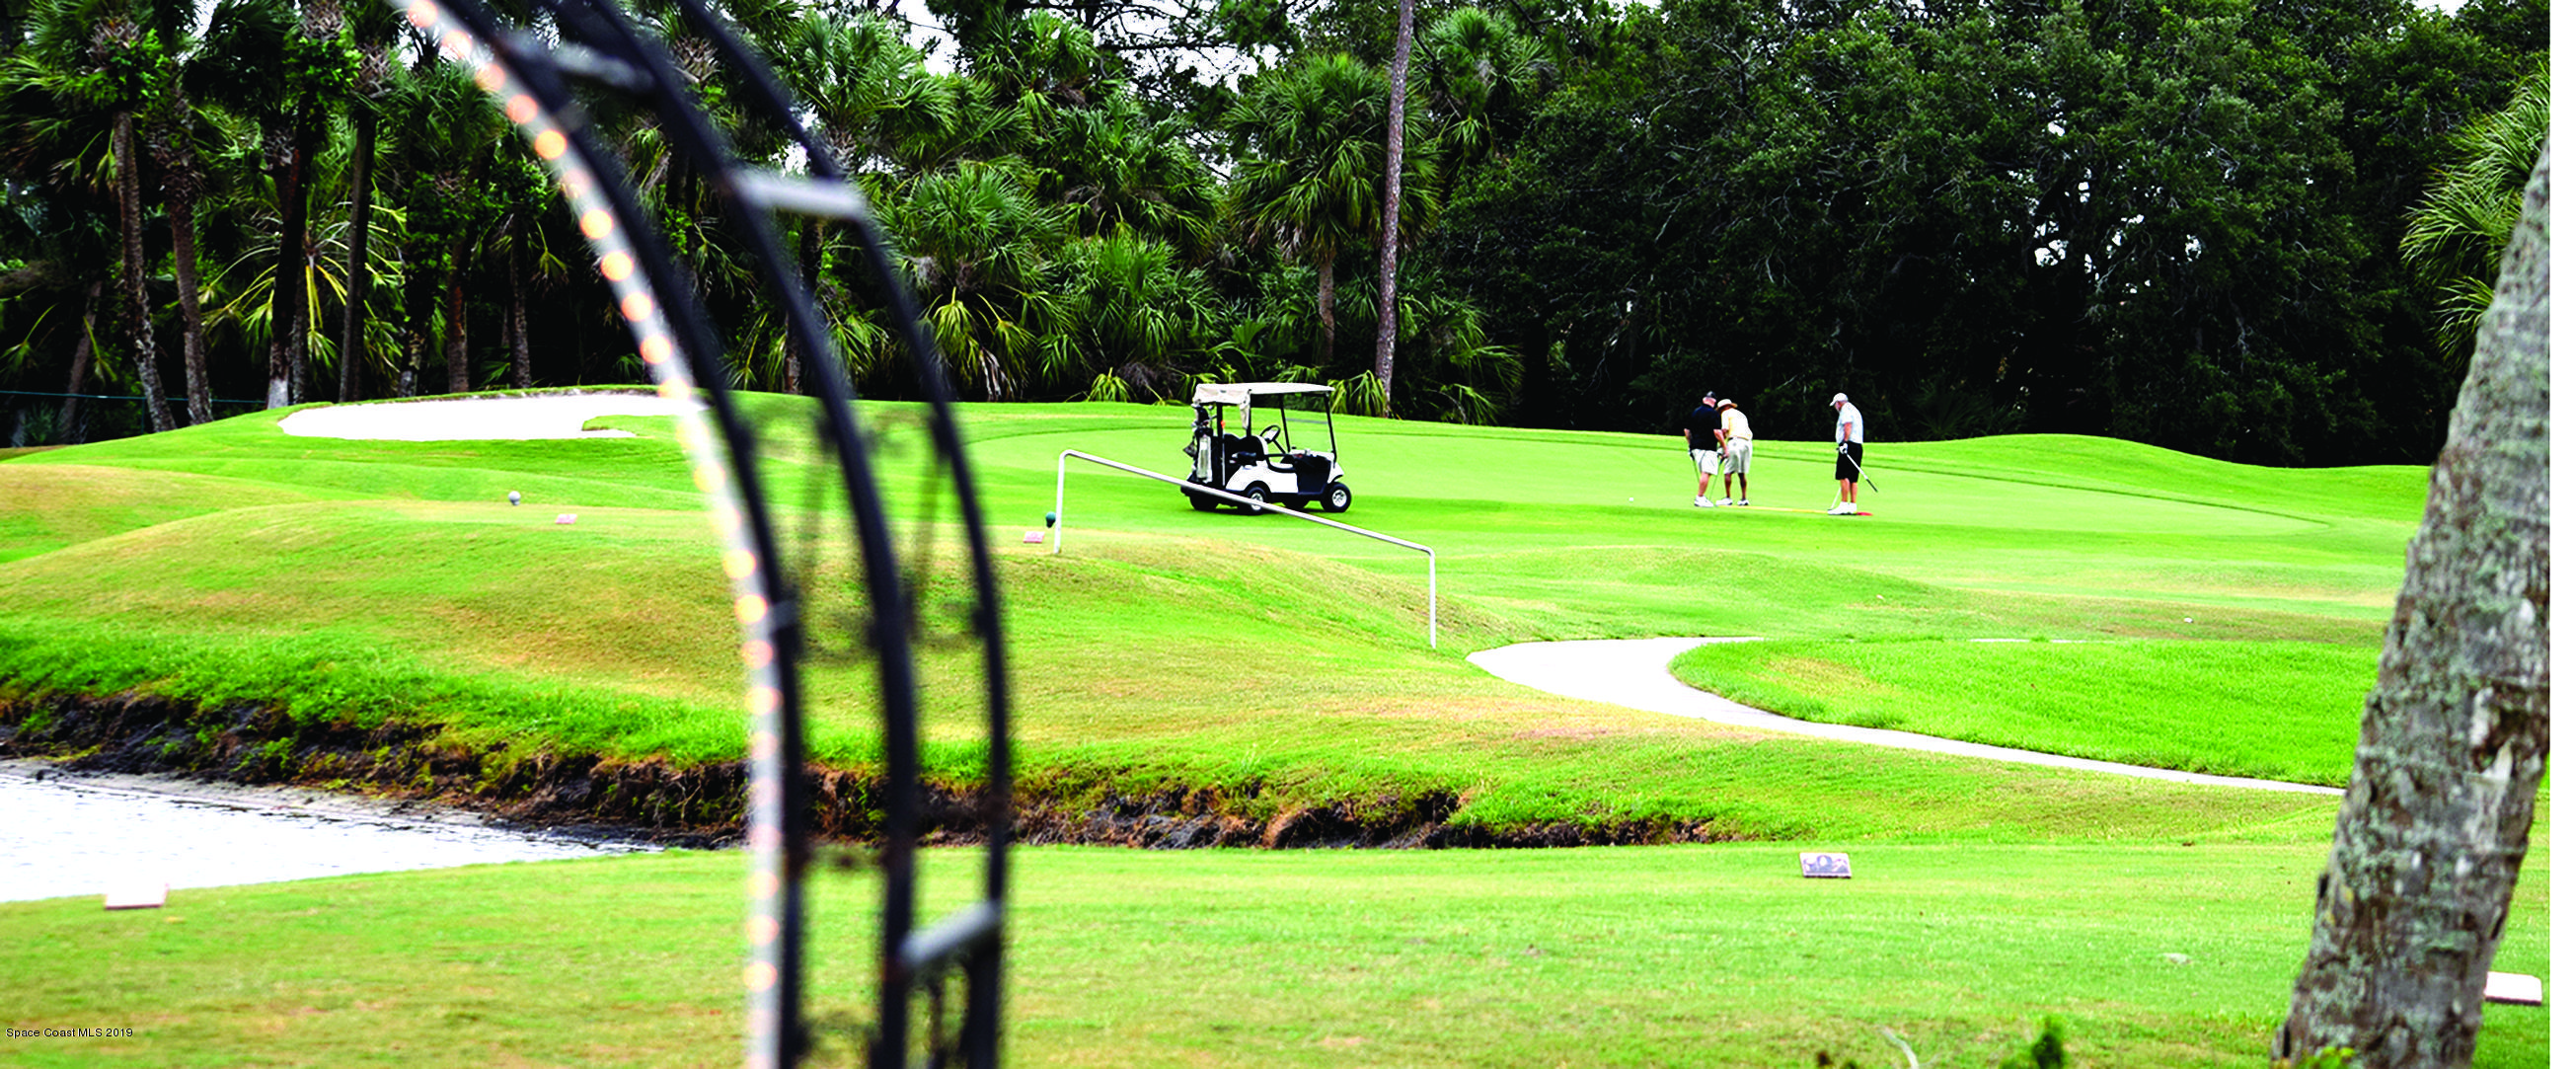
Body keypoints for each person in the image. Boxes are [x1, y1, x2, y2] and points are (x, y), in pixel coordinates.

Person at [1682, 392, 1724, 506]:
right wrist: (1724, 447)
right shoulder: (1714, 414)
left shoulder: (1695, 412)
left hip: (1695, 447)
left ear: (1704, 399)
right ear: (1714, 401)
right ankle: (1700, 497)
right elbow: (1717, 432)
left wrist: (1690, 444)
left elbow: (1687, 431)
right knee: (1707, 472)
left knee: (1703, 472)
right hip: (1708, 447)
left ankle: (1702, 497)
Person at [1827, 392, 1864, 514]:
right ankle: (1852, 506)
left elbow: (1848, 425)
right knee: (1853, 477)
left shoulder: (1845, 410)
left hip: (1849, 445)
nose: (1835, 408)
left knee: (1843, 475)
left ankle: (1843, 505)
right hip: (1857, 446)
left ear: (1839, 403)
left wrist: (1844, 442)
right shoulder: (1854, 409)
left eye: (1835, 405)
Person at [1715, 399, 1752, 505]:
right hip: (1747, 444)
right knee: (1741, 472)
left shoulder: (1726, 413)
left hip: (1735, 442)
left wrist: (1721, 447)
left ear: (1724, 408)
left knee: (1728, 471)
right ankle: (1744, 499)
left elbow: (1725, 430)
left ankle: (1728, 498)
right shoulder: (1741, 414)